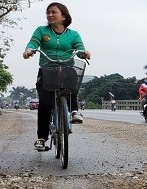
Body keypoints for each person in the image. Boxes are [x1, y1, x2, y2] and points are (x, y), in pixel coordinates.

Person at [23, 2, 91, 151]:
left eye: (54, 12)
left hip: (66, 69)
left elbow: (79, 48)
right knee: (45, 104)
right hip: (47, 70)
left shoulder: (73, 34)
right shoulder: (41, 31)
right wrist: (29, 50)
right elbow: (33, 43)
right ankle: (41, 138)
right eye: (48, 13)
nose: (50, 15)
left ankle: (74, 111)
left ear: (64, 16)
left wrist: (84, 52)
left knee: (73, 84)